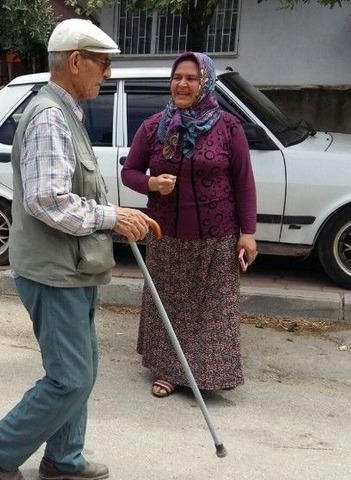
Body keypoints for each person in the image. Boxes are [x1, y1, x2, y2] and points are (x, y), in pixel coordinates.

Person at [0, 19, 153, 480]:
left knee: (82, 372)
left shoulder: (66, 110)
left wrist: (114, 213)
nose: (106, 74)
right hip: (53, 271)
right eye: (102, 64)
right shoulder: (50, 115)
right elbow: (46, 200)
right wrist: (113, 217)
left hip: (72, 267)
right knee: (70, 377)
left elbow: (73, 189)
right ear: (75, 61)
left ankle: (64, 459)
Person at [121, 51, 257, 398]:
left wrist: (248, 233)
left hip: (217, 236)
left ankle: (206, 374)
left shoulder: (228, 127)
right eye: (177, 77)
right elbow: (130, 172)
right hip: (166, 235)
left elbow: (243, 181)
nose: (182, 84)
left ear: (205, 82)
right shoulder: (154, 127)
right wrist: (151, 184)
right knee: (169, 306)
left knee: (213, 307)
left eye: (191, 78)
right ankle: (169, 370)